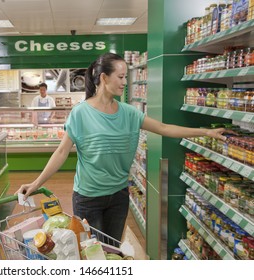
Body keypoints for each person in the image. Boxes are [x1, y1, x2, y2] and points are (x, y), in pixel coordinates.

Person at [17, 52, 227, 242]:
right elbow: (62, 152)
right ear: (103, 78)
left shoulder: (129, 113)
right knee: (92, 253)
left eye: (126, 77)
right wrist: (35, 184)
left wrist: (206, 132)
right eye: (120, 77)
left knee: (113, 251)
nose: (125, 82)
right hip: (88, 197)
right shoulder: (81, 113)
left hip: (118, 196)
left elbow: (164, 128)